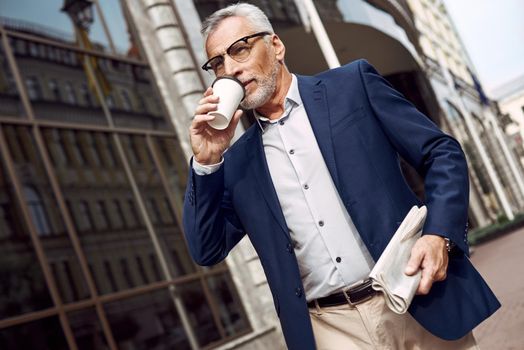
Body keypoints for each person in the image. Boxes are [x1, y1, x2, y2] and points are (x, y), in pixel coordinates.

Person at [183, 3, 500, 349]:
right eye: (218, 64)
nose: (230, 70)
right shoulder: (238, 163)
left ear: (275, 46)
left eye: (239, 49)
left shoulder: (353, 86)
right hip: (331, 329)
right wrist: (206, 162)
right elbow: (206, 248)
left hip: (413, 297)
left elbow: (442, 154)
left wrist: (440, 234)